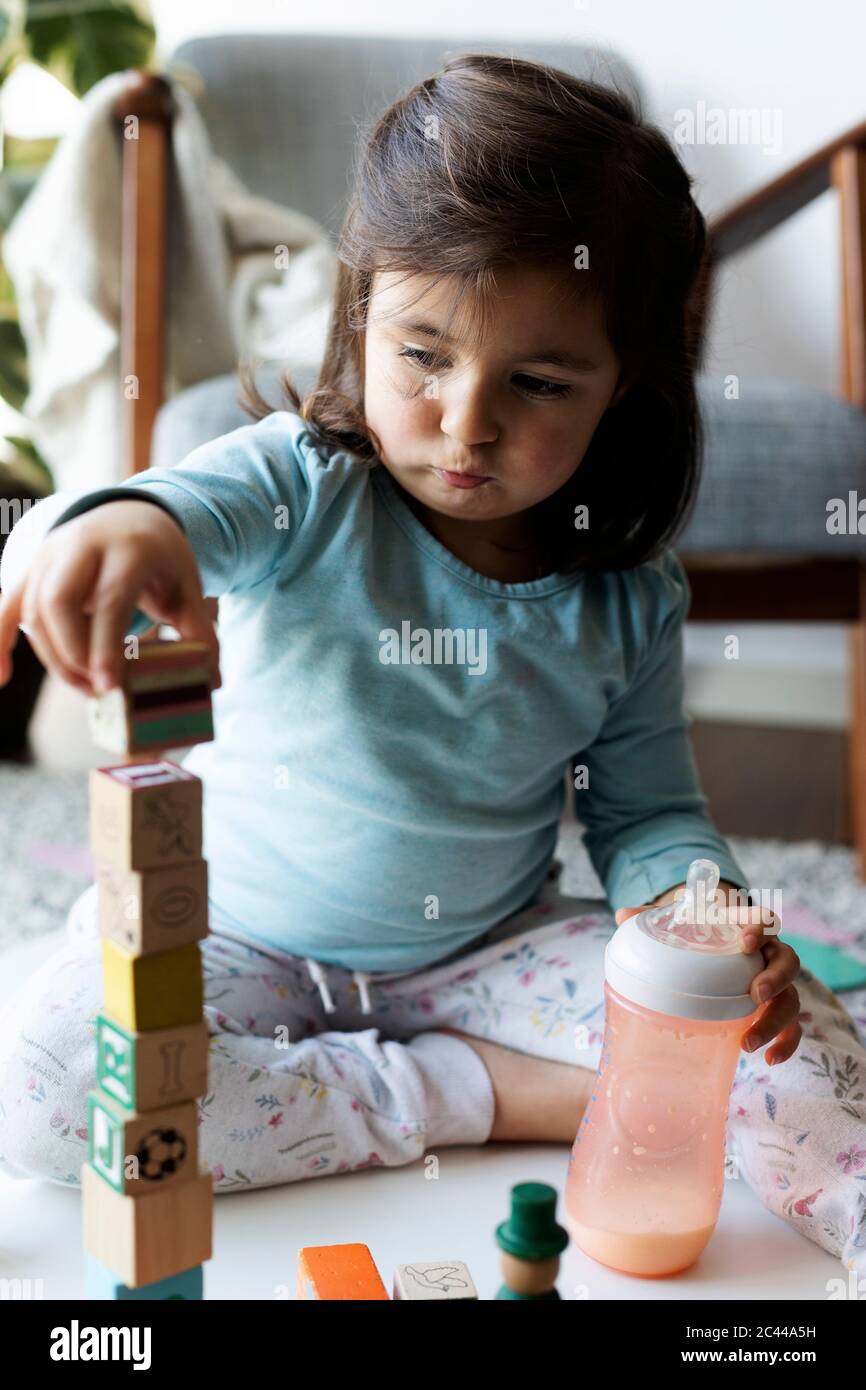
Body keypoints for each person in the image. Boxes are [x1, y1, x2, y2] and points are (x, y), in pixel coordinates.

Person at [0, 55, 862, 1275]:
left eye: (539, 381)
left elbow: (649, 813)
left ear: (626, 389)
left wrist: (700, 913)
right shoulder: (299, 482)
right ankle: (480, 1095)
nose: (466, 422)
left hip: (487, 950)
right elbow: (168, 508)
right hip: (233, 935)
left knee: (791, 1046)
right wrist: (117, 525)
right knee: (41, 1090)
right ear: (362, 318)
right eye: (422, 356)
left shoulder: (626, 594)